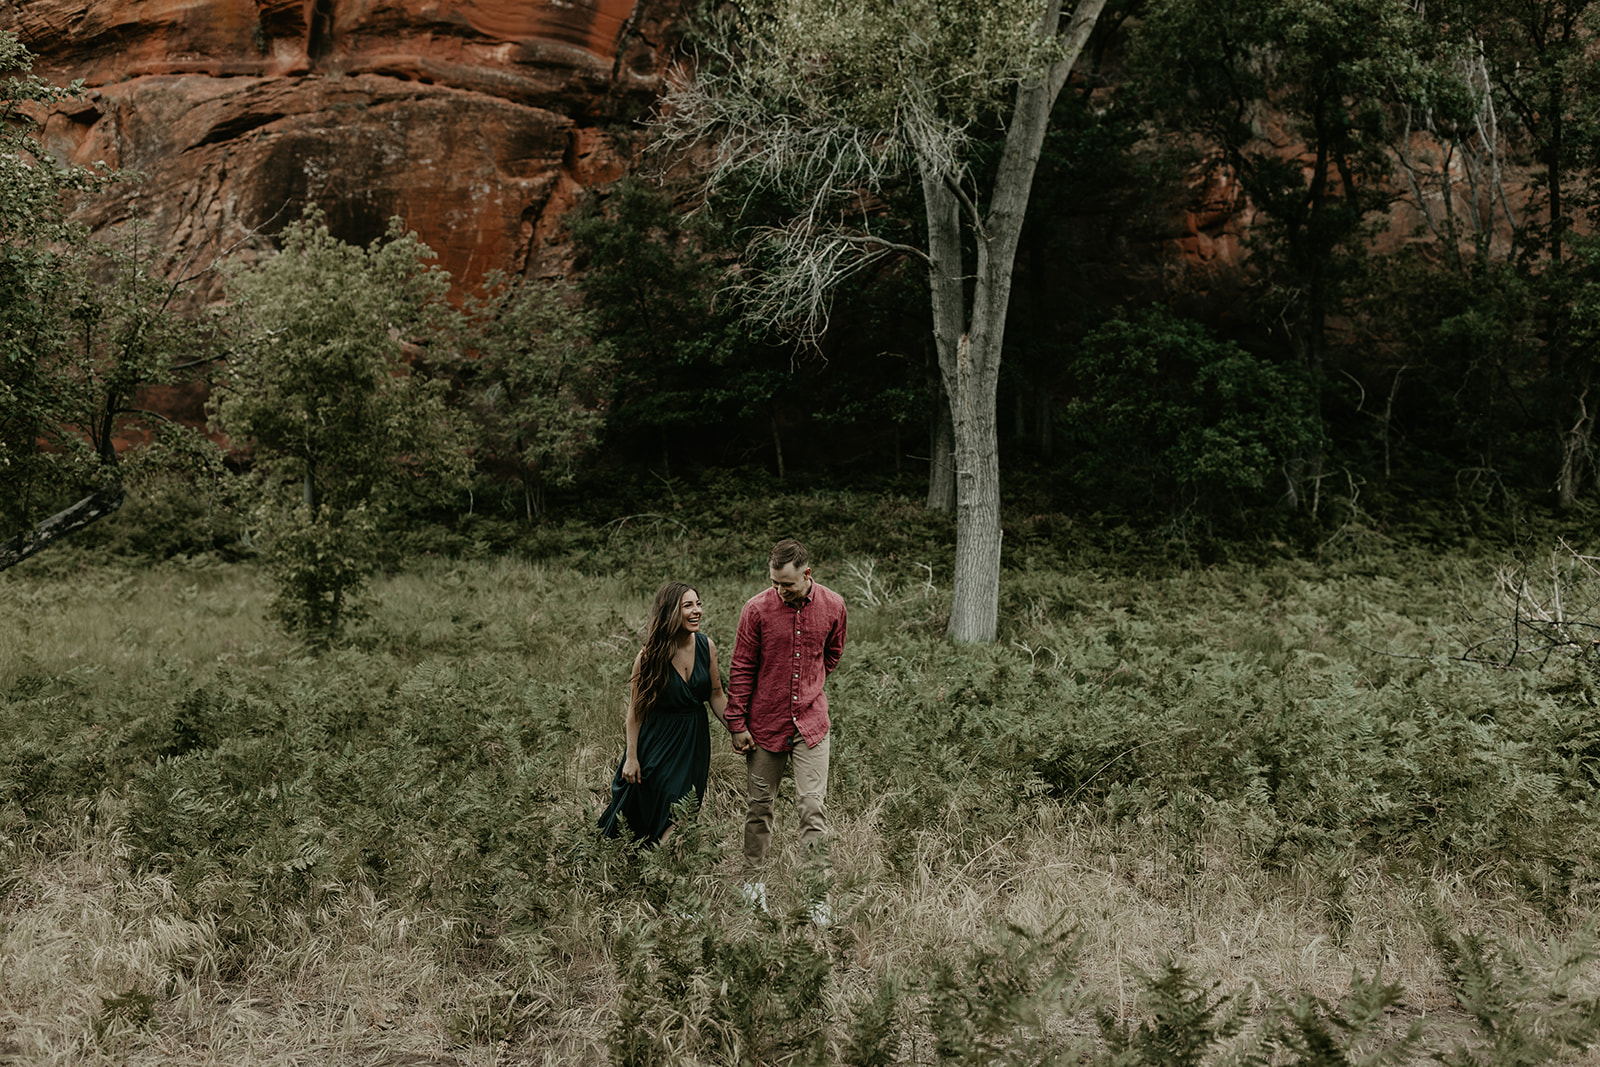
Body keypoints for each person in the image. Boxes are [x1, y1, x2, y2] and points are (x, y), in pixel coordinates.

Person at [725, 539, 847, 913]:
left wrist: (810, 683)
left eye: (788, 584)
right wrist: (736, 723)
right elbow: (742, 667)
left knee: (812, 808)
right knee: (759, 807)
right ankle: (752, 890)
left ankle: (816, 898)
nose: (780, 590)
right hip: (764, 726)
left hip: (811, 724)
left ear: (806, 574)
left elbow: (832, 653)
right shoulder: (756, 610)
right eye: (775, 582)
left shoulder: (834, 606)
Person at [599, 581, 730, 846]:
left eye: (698, 603)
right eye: (688, 605)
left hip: (694, 743)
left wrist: (738, 730)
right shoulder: (649, 656)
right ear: (670, 611)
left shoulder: (707, 646)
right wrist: (632, 757)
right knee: (661, 813)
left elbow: (716, 695)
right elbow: (635, 712)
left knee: (683, 812)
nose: (697, 611)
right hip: (658, 744)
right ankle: (664, 874)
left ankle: (669, 875)